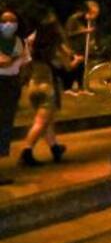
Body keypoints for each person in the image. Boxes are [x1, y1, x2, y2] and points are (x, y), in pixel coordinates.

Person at [20, 11, 71, 167]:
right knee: (41, 122)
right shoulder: (51, 49)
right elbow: (65, 67)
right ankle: (27, 150)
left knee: (47, 121)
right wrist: (73, 61)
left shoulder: (30, 43)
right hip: (47, 87)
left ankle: (55, 147)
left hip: (32, 86)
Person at [0, 9, 31, 185]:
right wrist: (10, 60)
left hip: (11, 85)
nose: (8, 25)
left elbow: (26, 62)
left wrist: (22, 80)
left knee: (5, 126)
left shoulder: (19, 42)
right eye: (4, 21)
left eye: (12, 21)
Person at [63, 0, 99, 96]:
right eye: (92, 12)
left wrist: (92, 40)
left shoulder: (89, 20)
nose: (94, 15)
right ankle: (67, 88)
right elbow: (69, 33)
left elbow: (92, 32)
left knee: (82, 67)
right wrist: (84, 31)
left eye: (95, 13)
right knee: (73, 67)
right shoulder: (74, 19)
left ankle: (81, 87)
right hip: (73, 46)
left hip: (83, 47)